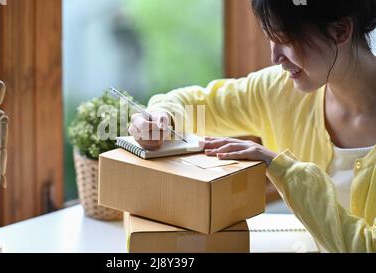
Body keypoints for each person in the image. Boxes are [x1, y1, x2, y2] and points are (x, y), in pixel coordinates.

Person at [128, 0, 376, 253]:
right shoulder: (279, 91)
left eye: (287, 39)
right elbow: (192, 104)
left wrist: (282, 170)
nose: (275, 57)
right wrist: (161, 117)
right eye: (270, 38)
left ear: (340, 31)